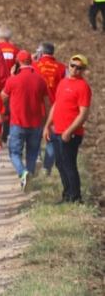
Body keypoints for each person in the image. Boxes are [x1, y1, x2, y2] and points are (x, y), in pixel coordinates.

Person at [43, 54, 91, 203]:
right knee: (60, 163)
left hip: (71, 134)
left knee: (69, 164)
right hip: (57, 130)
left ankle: (76, 197)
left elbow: (83, 114)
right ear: (68, 65)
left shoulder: (83, 87)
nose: (75, 69)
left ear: (83, 70)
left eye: (79, 67)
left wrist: (69, 131)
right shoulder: (63, 82)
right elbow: (56, 105)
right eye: (72, 65)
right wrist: (47, 125)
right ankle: (67, 195)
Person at [1, 50, 50, 191]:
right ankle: (29, 175)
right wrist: (46, 122)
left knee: (14, 152)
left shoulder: (13, 80)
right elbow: (47, 104)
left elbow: (2, 98)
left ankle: (23, 173)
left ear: (18, 62)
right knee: (33, 152)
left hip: (17, 122)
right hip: (36, 123)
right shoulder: (40, 80)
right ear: (31, 61)